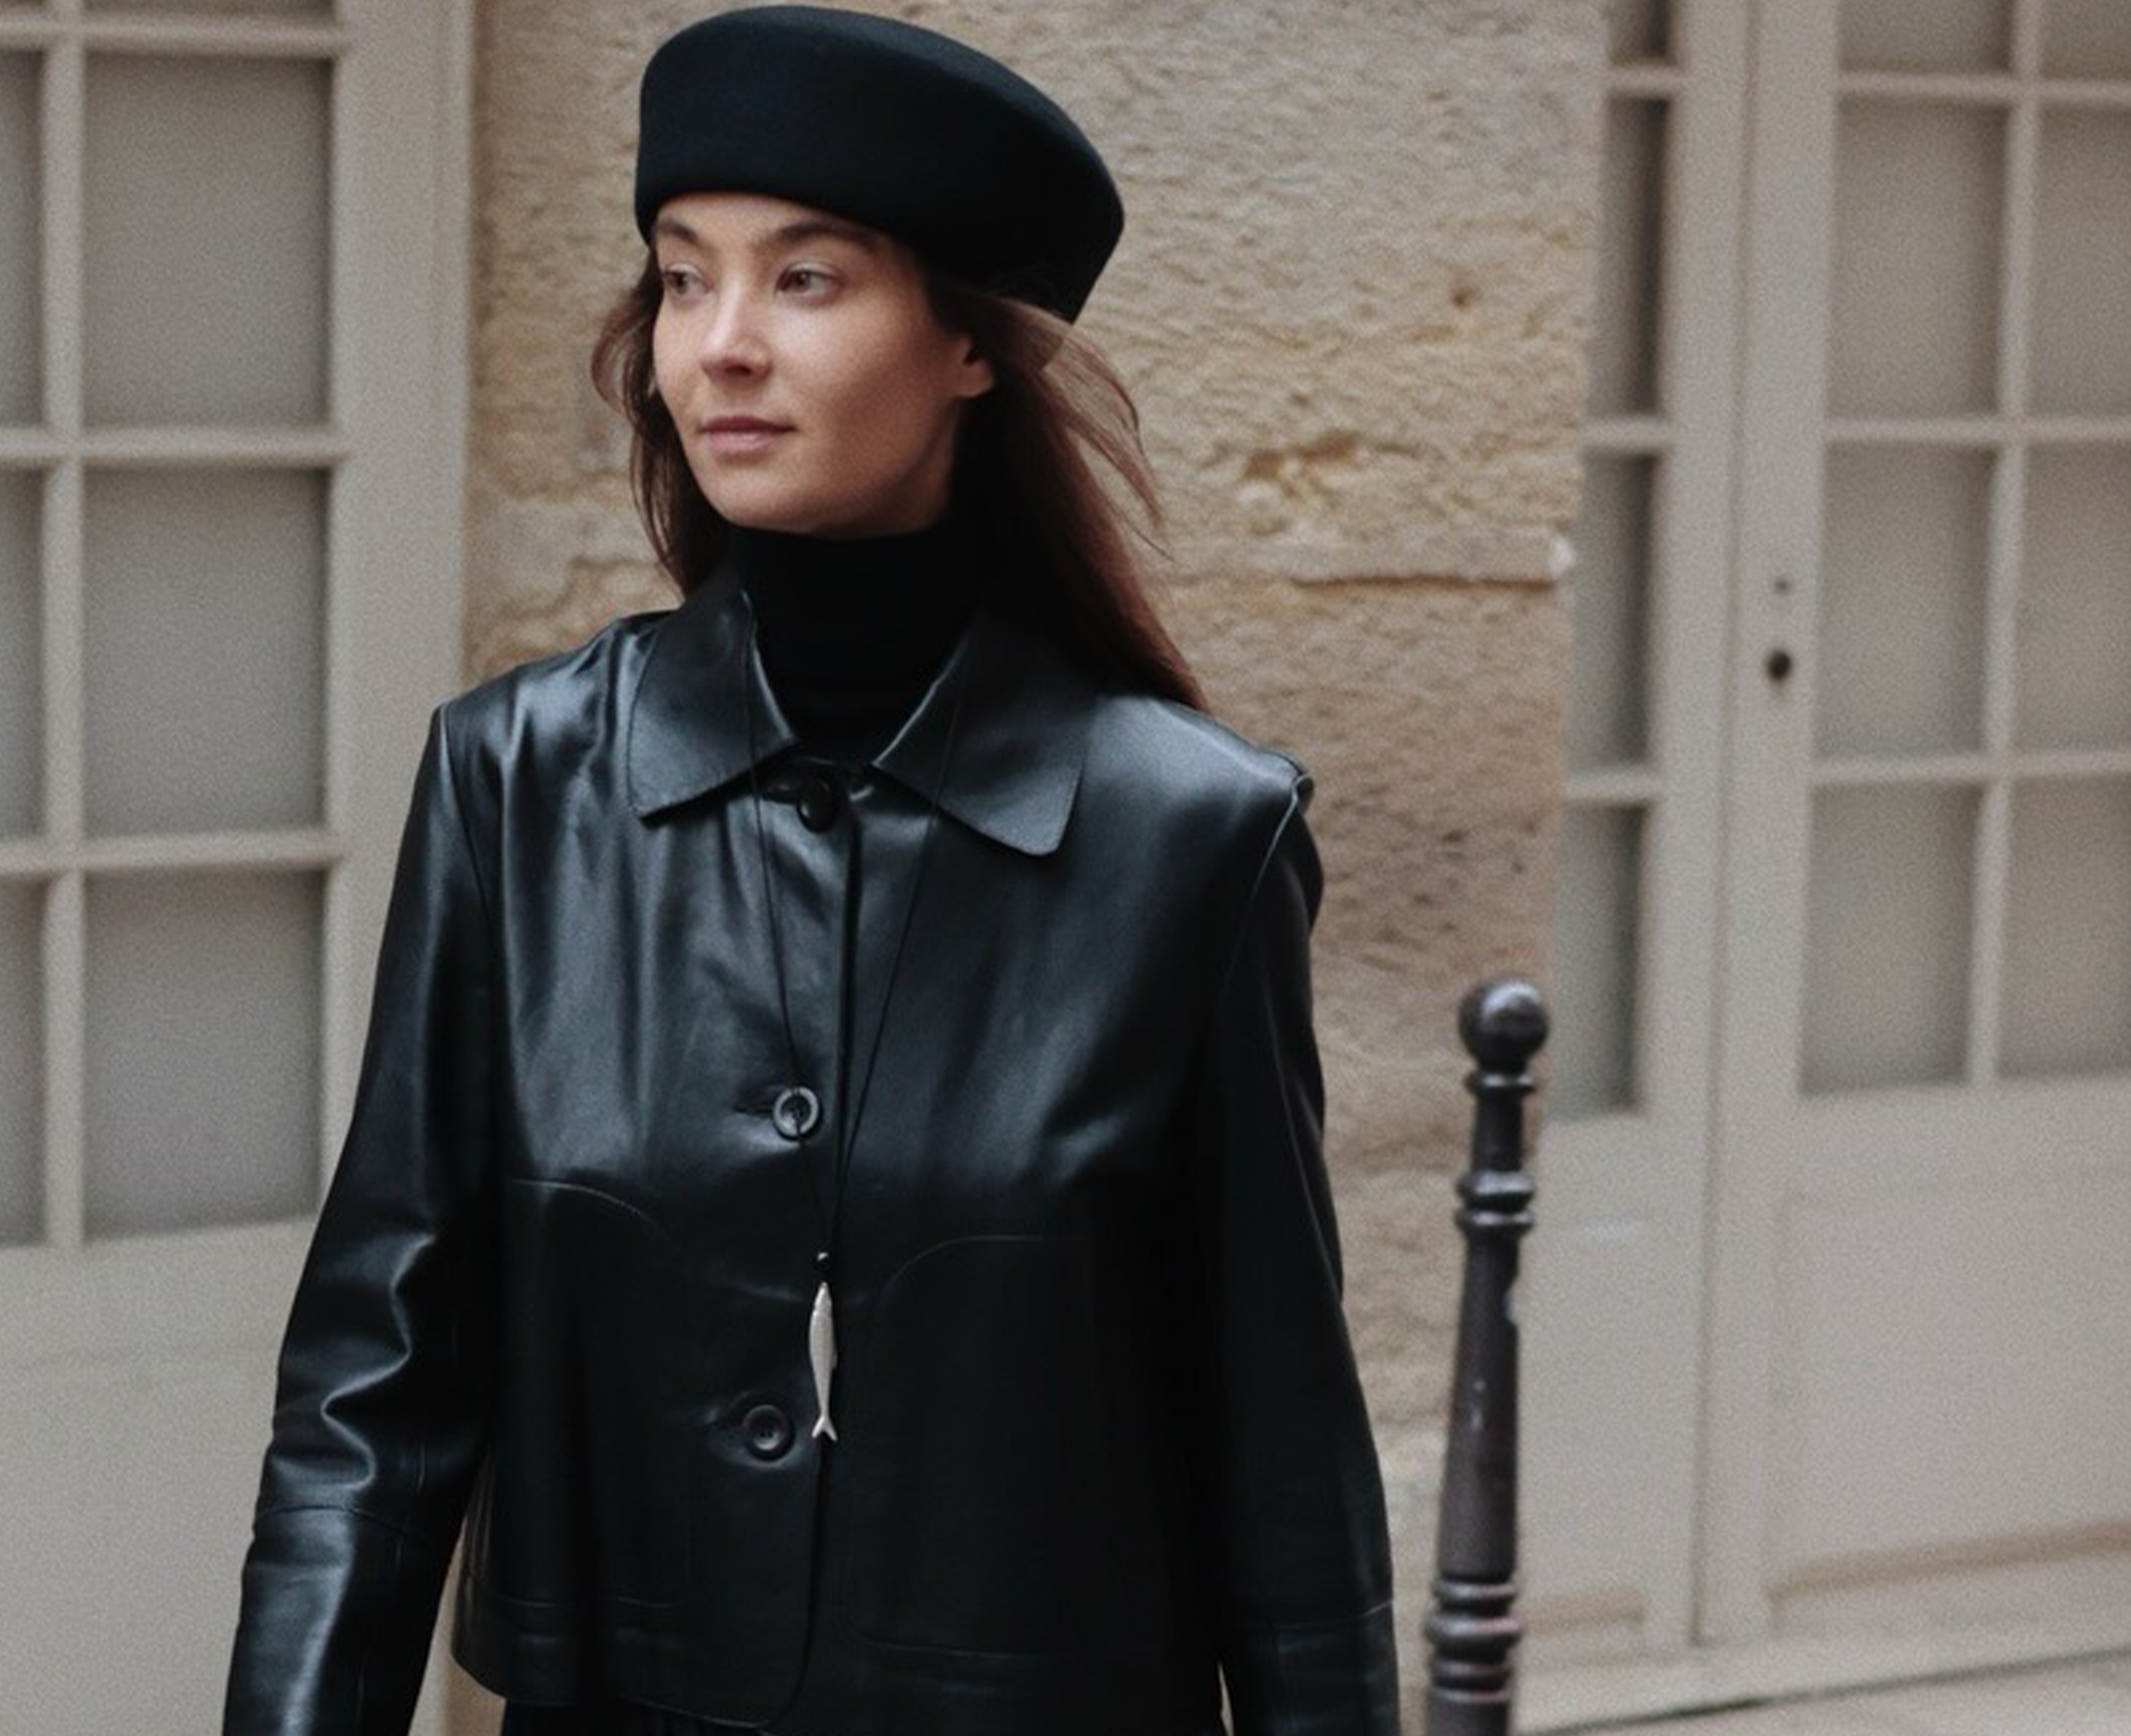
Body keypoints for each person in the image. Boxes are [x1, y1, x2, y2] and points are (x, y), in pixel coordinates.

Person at [221, 7, 1400, 1734]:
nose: (719, 348)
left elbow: (1278, 1451)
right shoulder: (518, 782)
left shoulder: (1187, 833)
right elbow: (374, 1386)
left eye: (807, 281)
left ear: (969, 346)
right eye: (681, 280)